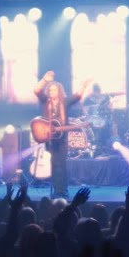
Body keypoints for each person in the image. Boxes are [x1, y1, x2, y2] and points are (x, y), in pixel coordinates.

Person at [34, 71, 90, 199]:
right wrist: (44, 80)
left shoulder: (65, 102)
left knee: (61, 164)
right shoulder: (46, 101)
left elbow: (78, 96)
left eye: (54, 90)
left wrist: (83, 84)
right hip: (49, 137)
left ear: (59, 91)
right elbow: (36, 91)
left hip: (62, 138)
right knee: (54, 163)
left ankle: (62, 189)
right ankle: (57, 189)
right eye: (50, 90)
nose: (51, 92)